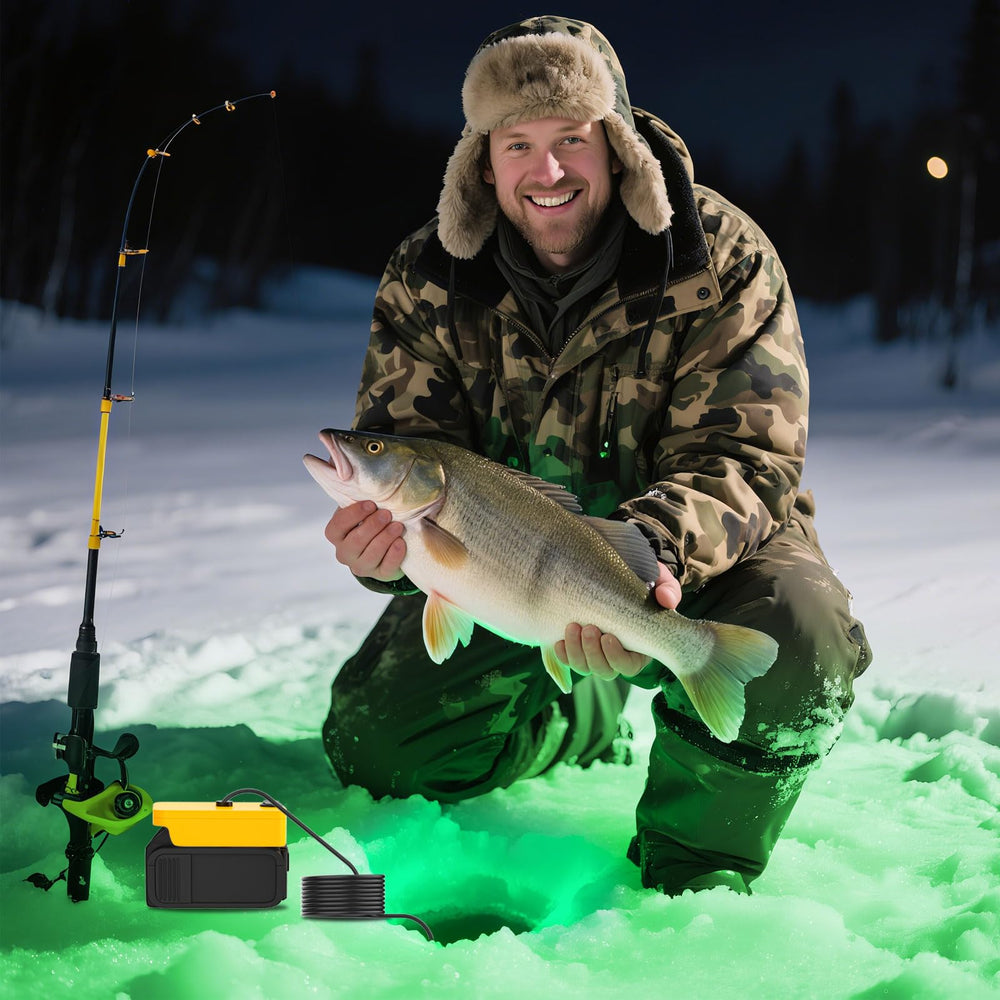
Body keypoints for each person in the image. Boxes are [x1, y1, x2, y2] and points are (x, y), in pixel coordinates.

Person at [321, 15, 871, 895]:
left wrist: (641, 558)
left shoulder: (717, 255)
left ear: (615, 146)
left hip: (697, 549)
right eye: (518, 144)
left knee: (798, 644)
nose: (547, 172)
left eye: (572, 140)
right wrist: (382, 557)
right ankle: (578, 716)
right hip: (512, 562)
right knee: (378, 748)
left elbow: (750, 454)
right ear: (482, 159)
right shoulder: (429, 275)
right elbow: (410, 452)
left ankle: (693, 871)